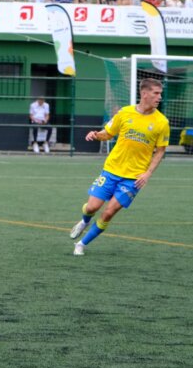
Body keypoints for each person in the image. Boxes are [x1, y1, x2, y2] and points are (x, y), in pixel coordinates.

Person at [69, 78, 169, 256]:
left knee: (108, 213)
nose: (159, 97)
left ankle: (81, 244)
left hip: (134, 178)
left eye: (160, 93)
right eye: (156, 93)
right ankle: (84, 222)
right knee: (92, 208)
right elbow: (108, 133)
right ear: (144, 93)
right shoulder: (124, 113)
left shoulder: (162, 122)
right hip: (111, 170)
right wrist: (96, 135)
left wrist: (147, 174)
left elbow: (160, 151)